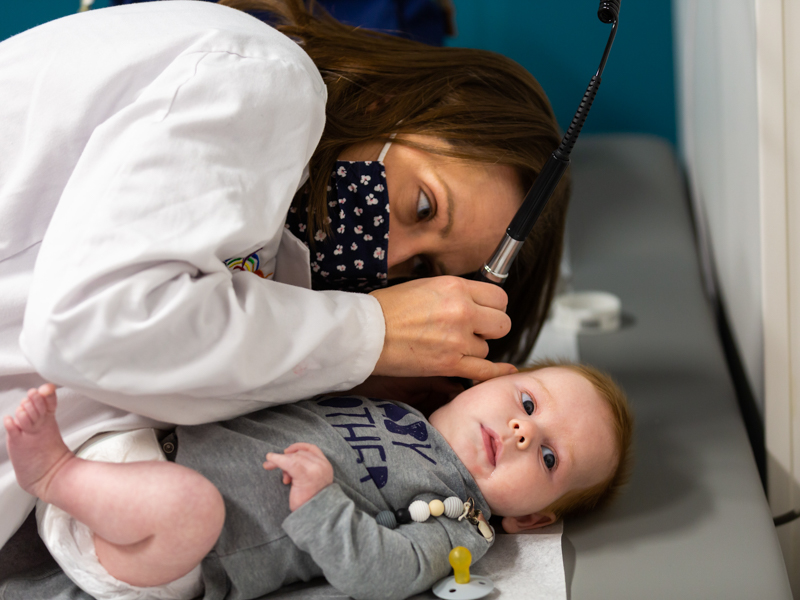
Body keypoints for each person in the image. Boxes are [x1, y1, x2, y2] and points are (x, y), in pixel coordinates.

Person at [0, 0, 571, 547]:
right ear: (390, 105)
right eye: (422, 207)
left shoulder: (283, 265)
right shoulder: (267, 81)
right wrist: (368, 333)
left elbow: (140, 370)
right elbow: (87, 325)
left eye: (423, 269)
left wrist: (340, 368)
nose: (392, 260)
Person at [4, 361, 632, 600]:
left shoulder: (462, 526)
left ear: (532, 519)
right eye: (526, 403)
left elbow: (386, 572)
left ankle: (55, 471)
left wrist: (322, 504)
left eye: (549, 458)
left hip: (171, 550)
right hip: (143, 450)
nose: (523, 433)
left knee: (190, 506)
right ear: (491, 379)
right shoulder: (402, 407)